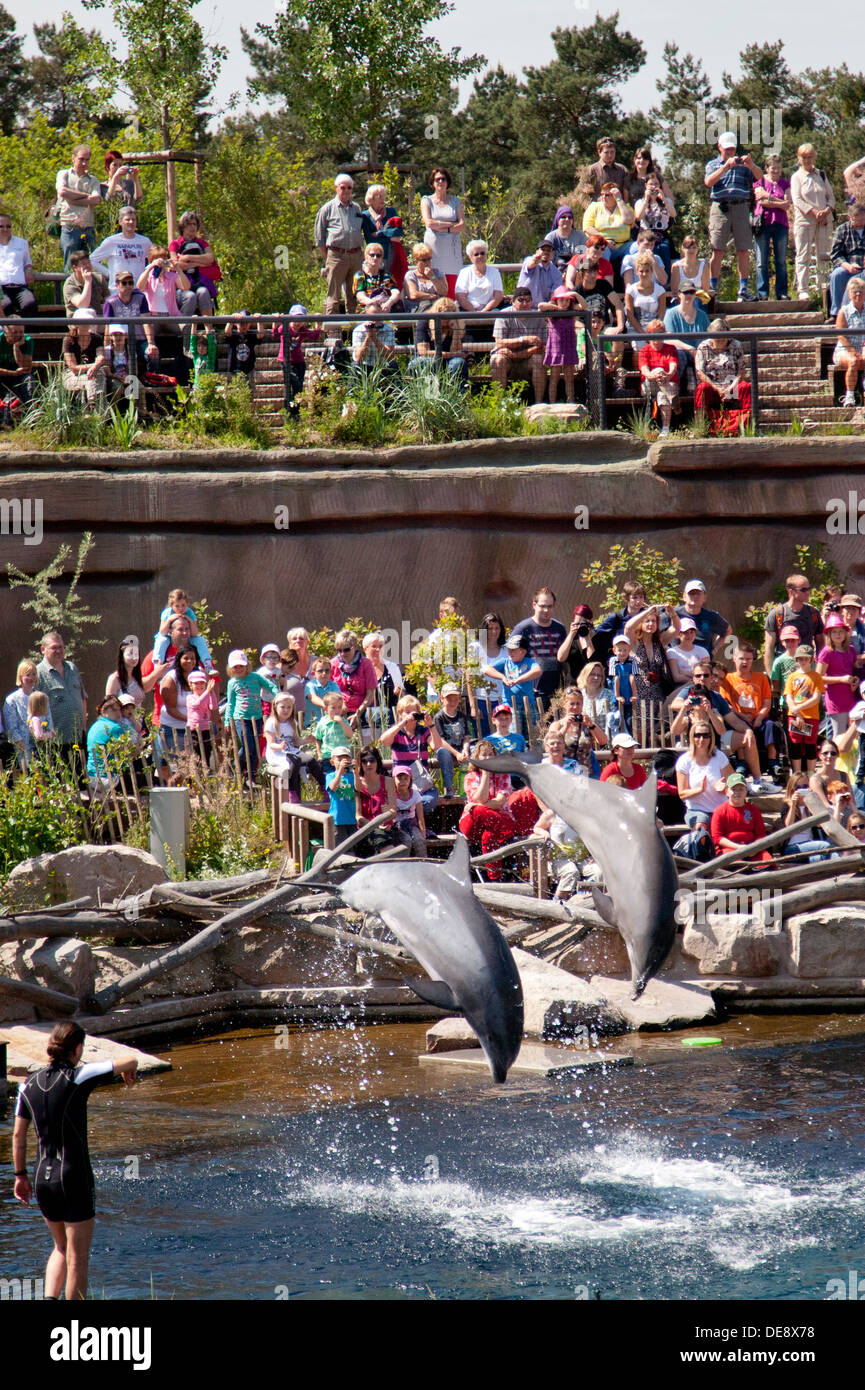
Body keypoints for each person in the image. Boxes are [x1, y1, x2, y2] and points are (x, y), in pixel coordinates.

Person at [13, 1020, 138, 1302]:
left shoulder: (27, 1085)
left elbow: (18, 1134)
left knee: (60, 1247)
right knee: (77, 1257)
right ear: (78, 1048)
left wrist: (19, 1175)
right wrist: (130, 1070)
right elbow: (129, 1058)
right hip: (74, 1175)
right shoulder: (79, 1076)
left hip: (41, 1176)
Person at [703, 132, 761, 300]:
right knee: (717, 249)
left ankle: (743, 289)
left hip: (741, 207)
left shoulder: (742, 165)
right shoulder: (713, 164)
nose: (730, 152)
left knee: (743, 249)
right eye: (727, 149)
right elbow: (708, 182)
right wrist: (725, 167)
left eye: (732, 149)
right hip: (720, 208)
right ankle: (713, 289)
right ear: (719, 147)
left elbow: (759, 177)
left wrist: (751, 165)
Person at [719, 641, 780, 788]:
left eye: (748, 659)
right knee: (740, 728)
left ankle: (773, 763)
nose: (745, 662)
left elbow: (767, 703)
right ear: (734, 659)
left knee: (771, 726)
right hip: (739, 718)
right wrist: (741, 715)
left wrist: (759, 718)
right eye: (741, 658)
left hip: (759, 718)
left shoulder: (761, 678)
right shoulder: (728, 679)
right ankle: (742, 763)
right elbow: (725, 704)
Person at [675, 722, 733, 860]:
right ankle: (701, 863)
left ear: (711, 738)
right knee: (701, 828)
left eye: (705, 735)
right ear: (691, 737)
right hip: (697, 809)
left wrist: (725, 788)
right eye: (697, 735)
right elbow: (682, 794)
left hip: (720, 808)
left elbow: (734, 782)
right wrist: (699, 790)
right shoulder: (684, 761)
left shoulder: (719, 757)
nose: (701, 739)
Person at [379, 695, 442, 818]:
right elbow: (384, 741)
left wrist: (431, 725)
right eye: (407, 712)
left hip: (421, 783)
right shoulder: (396, 732)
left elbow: (437, 746)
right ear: (400, 713)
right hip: (401, 784)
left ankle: (415, 823)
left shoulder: (423, 731)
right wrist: (402, 723)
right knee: (403, 802)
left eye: (414, 712)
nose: (411, 715)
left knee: (428, 801)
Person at [508, 588, 568, 709]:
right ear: (534, 605)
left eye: (550, 606)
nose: (546, 610)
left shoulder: (559, 628)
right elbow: (510, 658)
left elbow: (565, 660)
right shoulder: (523, 628)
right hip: (530, 692)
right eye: (542, 606)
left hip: (555, 692)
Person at [314, 174, 365, 315]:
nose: (346, 191)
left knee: (355, 293)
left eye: (349, 188)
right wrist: (328, 258)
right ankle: (333, 332)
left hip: (355, 256)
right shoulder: (327, 209)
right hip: (336, 255)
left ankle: (354, 330)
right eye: (343, 187)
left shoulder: (357, 208)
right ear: (336, 188)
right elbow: (319, 239)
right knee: (334, 296)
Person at [790, 144, 835, 301]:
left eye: (809, 157)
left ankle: (824, 289)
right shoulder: (797, 177)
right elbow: (797, 199)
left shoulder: (821, 174)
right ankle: (803, 290)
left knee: (824, 254)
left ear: (814, 157)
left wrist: (827, 210)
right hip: (805, 221)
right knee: (803, 255)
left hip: (824, 221)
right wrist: (814, 212)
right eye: (804, 157)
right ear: (799, 158)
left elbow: (831, 196)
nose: (807, 160)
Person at [694, 317, 752, 432]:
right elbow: (700, 372)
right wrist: (717, 388)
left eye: (723, 339)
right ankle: (701, 426)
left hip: (732, 385)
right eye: (717, 340)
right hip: (712, 385)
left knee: (746, 387)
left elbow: (741, 370)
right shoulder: (703, 347)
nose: (720, 342)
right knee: (702, 388)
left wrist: (730, 388)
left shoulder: (736, 345)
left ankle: (746, 426)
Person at [490, 286, 547, 400]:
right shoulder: (503, 314)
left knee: (538, 360)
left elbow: (540, 348)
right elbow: (499, 342)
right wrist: (524, 339)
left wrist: (516, 354)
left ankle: (539, 403)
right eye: (521, 300)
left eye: (528, 300)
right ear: (513, 301)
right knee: (498, 360)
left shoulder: (538, 317)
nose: (525, 303)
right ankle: (499, 403)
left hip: (527, 360)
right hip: (506, 359)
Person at [763, 574, 825, 678]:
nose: (808, 592)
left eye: (808, 589)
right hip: (784, 670)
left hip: (808, 669)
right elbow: (769, 648)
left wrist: (819, 674)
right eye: (803, 590)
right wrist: (773, 678)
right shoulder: (777, 614)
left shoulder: (813, 613)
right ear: (791, 591)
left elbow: (821, 646)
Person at [36, 631, 87, 754]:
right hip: (56, 742)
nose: (59, 651)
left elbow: (82, 698)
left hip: (78, 737)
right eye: (54, 648)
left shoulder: (72, 668)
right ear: (43, 649)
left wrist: (84, 727)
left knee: (80, 772)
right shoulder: (38, 673)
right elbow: (35, 709)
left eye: (61, 647)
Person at [420, 167, 466, 297]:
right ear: (432, 183)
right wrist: (452, 226)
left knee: (452, 288)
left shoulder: (456, 201)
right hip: (434, 250)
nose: (440, 182)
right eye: (437, 179)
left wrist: (440, 226)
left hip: (452, 251)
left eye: (443, 179)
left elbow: (462, 226)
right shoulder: (426, 200)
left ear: (447, 181)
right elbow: (429, 222)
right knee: (434, 284)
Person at [55, 145, 104, 268]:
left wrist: (72, 200)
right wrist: (86, 196)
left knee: (91, 264)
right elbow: (62, 192)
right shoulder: (64, 174)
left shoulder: (93, 180)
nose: (84, 163)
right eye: (81, 159)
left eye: (87, 160)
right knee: (70, 265)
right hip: (69, 226)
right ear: (73, 158)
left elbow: (97, 199)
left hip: (88, 227)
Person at [753, 154, 792, 301]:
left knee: (781, 261)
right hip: (763, 223)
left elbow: (787, 204)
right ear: (766, 168)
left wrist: (768, 197)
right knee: (761, 261)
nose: (776, 171)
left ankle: (781, 292)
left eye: (778, 168)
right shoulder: (760, 181)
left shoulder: (785, 183)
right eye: (773, 168)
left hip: (781, 224)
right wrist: (779, 202)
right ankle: (763, 293)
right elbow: (760, 201)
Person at [169, 210, 220, 318]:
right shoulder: (175, 244)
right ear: (183, 226)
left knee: (204, 292)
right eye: (189, 224)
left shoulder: (202, 243)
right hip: (182, 284)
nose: (192, 227)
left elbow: (210, 259)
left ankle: (208, 329)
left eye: (194, 224)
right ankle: (185, 330)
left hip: (200, 282)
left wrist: (187, 258)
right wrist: (199, 263)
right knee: (190, 296)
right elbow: (175, 264)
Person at [274, 305, 320, 421]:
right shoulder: (285, 328)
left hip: (299, 362)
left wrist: (317, 321)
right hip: (286, 362)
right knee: (294, 385)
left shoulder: (303, 331)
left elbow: (315, 336)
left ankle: (296, 414)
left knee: (298, 390)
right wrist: (275, 320)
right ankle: (289, 412)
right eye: (295, 320)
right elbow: (275, 333)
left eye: (300, 320)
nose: (297, 323)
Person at [90, 207, 152, 293]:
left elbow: (152, 260)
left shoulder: (145, 242)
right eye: (127, 219)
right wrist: (109, 273)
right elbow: (92, 260)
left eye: (133, 219)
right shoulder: (111, 241)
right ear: (120, 222)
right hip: (118, 289)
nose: (131, 222)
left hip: (139, 288)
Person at [710, 772, 771, 859]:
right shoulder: (719, 811)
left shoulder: (753, 810)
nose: (737, 792)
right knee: (733, 865)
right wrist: (739, 848)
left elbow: (761, 834)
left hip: (752, 848)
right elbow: (717, 837)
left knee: (768, 863)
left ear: (746, 791)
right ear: (727, 791)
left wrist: (754, 849)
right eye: (733, 789)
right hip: (729, 848)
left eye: (741, 789)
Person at [783, 645, 825, 773]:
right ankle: (797, 774)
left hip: (811, 716)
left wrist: (798, 709)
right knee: (795, 744)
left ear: (811, 660)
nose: (803, 661)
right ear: (796, 660)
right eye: (800, 658)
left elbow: (816, 698)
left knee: (810, 745)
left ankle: (811, 773)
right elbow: (788, 697)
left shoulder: (816, 676)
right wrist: (797, 714)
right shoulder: (792, 676)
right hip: (795, 716)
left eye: (806, 658)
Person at [3, 660, 53, 767]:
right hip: (23, 749)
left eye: (34, 674)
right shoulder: (12, 700)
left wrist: (46, 736)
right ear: (20, 677)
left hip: (43, 748)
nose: (31, 678)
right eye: (27, 675)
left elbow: (49, 721)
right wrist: (23, 746)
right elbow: (11, 728)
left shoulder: (42, 697)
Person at [582, 183, 635, 282]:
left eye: (607, 195)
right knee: (602, 250)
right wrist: (604, 240)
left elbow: (629, 220)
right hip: (601, 244)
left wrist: (619, 200)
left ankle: (633, 287)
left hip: (623, 245)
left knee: (637, 247)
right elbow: (587, 227)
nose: (603, 197)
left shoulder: (625, 207)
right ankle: (603, 284)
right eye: (602, 194)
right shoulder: (594, 207)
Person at [662, 282, 709, 392]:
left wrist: (698, 350)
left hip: (699, 353)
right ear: (679, 294)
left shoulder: (702, 315)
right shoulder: (671, 314)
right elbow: (669, 338)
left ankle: (703, 396)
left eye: (692, 292)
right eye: (685, 292)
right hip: (679, 352)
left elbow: (708, 337)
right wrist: (689, 348)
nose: (688, 295)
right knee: (680, 355)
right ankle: (676, 392)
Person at [816, 614, 858, 735]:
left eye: (841, 631)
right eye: (834, 632)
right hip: (835, 699)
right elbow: (818, 678)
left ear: (846, 633)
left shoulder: (851, 650)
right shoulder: (827, 652)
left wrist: (855, 680)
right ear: (829, 634)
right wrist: (841, 679)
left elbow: (855, 670)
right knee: (839, 735)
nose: (838, 634)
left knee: (853, 736)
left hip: (850, 697)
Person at [413, 296, 469, 387]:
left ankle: (458, 395)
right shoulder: (424, 321)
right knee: (429, 362)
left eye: (450, 316)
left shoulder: (455, 324)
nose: (447, 320)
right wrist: (453, 354)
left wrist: (455, 331)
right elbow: (424, 352)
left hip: (447, 360)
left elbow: (456, 351)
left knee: (458, 362)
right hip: (426, 359)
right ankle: (430, 395)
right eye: (444, 316)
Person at [538, 285, 580, 403]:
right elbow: (540, 306)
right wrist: (557, 307)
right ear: (556, 300)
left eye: (567, 300)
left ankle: (570, 402)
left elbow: (584, 306)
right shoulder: (552, 312)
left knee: (569, 379)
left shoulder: (572, 311)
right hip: (555, 349)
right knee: (554, 378)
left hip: (569, 348)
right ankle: (552, 403)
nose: (565, 302)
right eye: (561, 299)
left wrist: (575, 295)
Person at [330, 629, 378, 732]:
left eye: (346, 649)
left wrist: (358, 713)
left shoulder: (366, 663)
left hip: (363, 710)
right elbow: (329, 693)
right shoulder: (333, 664)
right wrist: (340, 707)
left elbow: (370, 694)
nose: (342, 653)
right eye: (339, 650)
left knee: (381, 714)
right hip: (340, 710)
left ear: (355, 647)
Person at [637, 319, 678, 436]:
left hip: (668, 383)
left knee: (662, 395)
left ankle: (665, 429)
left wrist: (668, 374)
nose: (656, 337)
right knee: (659, 370)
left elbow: (673, 366)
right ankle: (674, 400)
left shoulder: (671, 348)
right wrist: (655, 375)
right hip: (650, 384)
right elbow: (645, 370)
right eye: (652, 333)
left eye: (659, 333)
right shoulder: (644, 350)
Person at [354, 746, 398, 855]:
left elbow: (394, 811)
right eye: (364, 761)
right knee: (380, 839)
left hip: (387, 828)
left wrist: (389, 812)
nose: (368, 764)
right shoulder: (358, 783)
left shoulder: (388, 781)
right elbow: (358, 817)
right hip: (366, 829)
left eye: (372, 760)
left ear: (377, 761)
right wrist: (375, 825)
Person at [781, 772, 834, 860]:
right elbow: (788, 826)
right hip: (793, 847)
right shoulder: (787, 805)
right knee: (825, 846)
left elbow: (820, 825)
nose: (802, 789)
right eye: (798, 787)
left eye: (805, 786)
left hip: (810, 845)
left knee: (836, 856)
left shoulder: (810, 804)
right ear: (792, 789)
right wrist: (793, 805)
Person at [455, 241, 504, 334]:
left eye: (482, 253)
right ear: (470, 258)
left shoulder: (494, 272)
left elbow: (498, 297)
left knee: (498, 316)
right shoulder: (464, 273)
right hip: (468, 310)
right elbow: (460, 297)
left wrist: (484, 312)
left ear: (486, 255)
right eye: (476, 254)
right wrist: (473, 312)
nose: (480, 256)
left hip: (489, 310)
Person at [633, 175, 676, 278]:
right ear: (646, 186)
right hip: (646, 233)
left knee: (664, 248)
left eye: (656, 184)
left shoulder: (667, 201)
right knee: (652, 248)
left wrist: (664, 200)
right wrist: (647, 199)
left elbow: (673, 214)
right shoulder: (640, 202)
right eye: (651, 184)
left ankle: (666, 279)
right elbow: (638, 217)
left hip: (661, 234)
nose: (653, 187)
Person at [434, 682, 472, 795]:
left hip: (460, 749)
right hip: (447, 750)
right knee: (443, 753)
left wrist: (465, 749)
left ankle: (473, 785)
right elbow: (441, 741)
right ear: (442, 699)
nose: (452, 702)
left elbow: (466, 736)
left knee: (477, 751)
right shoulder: (439, 717)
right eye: (449, 699)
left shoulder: (461, 716)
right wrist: (457, 754)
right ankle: (448, 787)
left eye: (455, 699)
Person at [832, 277, 865, 407]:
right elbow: (840, 335)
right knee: (853, 361)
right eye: (855, 291)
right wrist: (852, 351)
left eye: (861, 291)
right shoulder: (844, 311)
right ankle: (850, 396)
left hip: (862, 347)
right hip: (845, 349)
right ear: (849, 294)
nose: (858, 294)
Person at [829, 205, 865, 316]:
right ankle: (837, 313)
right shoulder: (842, 229)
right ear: (850, 218)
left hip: (864, 266)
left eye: (863, 219)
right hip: (848, 266)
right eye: (857, 220)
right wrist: (848, 266)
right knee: (837, 275)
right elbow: (835, 253)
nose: (860, 223)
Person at [0, 213, 37, 316]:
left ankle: (25, 331)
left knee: (30, 304)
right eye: (1, 226)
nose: (5, 229)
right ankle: (8, 331)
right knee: (5, 306)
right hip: (1, 288)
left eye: (8, 226)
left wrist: (29, 271)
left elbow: (27, 262)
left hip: (19, 286)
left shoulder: (22, 243)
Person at [361, 184, 401, 277]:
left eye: (384, 195)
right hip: (374, 255)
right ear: (371, 199)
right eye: (379, 196)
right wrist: (390, 237)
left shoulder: (391, 212)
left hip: (390, 253)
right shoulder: (365, 216)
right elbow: (370, 238)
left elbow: (398, 232)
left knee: (390, 281)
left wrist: (380, 233)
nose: (383, 198)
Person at [352, 243, 401, 312]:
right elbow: (360, 296)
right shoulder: (360, 275)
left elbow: (396, 292)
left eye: (378, 256)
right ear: (366, 256)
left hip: (386, 308)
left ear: (381, 258)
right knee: (373, 309)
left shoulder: (387, 275)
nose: (375, 258)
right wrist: (375, 305)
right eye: (372, 255)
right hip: (366, 310)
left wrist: (389, 303)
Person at [517, 236, 563, 308]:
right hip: (523, 306)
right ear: (537, 252)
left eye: (548, 250)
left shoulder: (557, 274)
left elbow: (553, 296)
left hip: (543, 310)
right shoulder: (529, 260)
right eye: (543, 249)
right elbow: (530, 264)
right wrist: (536, 260)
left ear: (552, 254)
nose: (545, 252)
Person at [351, 301, 396, 373]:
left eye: (378, 316)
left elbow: (390, 356)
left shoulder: (388, 329)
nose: (375, 320)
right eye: (372, 317)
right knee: (355, 366)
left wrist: (374, 338)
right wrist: (368, 337)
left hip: (382, 367)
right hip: (363, 366)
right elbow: (359, 358)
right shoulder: (359, 330)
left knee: (393, 365)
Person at [392, 766, 428, 856]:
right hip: (397, 825)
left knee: (419, 840)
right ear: (393, 779)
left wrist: (423, 833)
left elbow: (420, 818)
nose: (403, 782)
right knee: (406, 840)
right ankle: (404, 864)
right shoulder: (391, 795)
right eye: (399, 778)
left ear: (410, 780)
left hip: (411, 824)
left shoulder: (415, 794)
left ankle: (423, 862)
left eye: (406, 778)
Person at [0, 317, 35, 407]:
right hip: (3, 377)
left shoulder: (27, 341)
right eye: (14, 332)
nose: (18, 335)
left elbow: (26, 368)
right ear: (5, 331)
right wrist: (13, 373)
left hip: (19, 377)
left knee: (29, 379)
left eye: (21, 332)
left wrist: (16, 348)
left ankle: (31, 409)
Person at [326, 746, 358, 845]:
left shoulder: (352, 776)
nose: (343, 762)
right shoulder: (330, 776)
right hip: (337, 820)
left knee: (354, 848)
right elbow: (333, 787)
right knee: (339, 849)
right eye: (339, 759)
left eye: (346, 759)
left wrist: (357, 772)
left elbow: (360, 788)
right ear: (332, 762)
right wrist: (339, 771)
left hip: (353, 819)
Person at [557, 603, 596, 684]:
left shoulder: (597, 639)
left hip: (591, 686)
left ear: (591, 621)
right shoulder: (571, 641)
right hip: (573, 686)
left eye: (584, 623)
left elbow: (593, 661)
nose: (581, 626)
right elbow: (560, 658)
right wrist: (571, 635)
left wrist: (588, 638)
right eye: (578, 623)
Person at [402, 244, 448, 313]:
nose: (427, 263)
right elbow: (414, 295)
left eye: (429, 259)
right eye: (424, 260)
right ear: (416, 261)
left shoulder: (437, 273)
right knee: (427, 305)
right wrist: (432, 296)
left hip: (437, 308)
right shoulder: (411, 275)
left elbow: (443, 292)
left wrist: (432, 277)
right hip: (417, 308)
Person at [62, 251, 108, 319]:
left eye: (89, 263)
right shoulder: (70, 284)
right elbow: (82, 305)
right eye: (83, 264)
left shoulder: (99, 278)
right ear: (75, 268)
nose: (88, 266)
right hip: (78, 321)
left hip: (99, 318)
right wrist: (88, 282)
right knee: (85, 315)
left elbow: (109, 299)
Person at [669, 235, 711, 300]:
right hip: (680, 300)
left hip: (698, 300)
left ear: (697, 249)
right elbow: (674, 291)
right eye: (688, 248)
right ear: (683, 248)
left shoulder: (703, 266)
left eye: (694, 247)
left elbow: (705, 291)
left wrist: (692, 297)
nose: (691, 250)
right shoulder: (676, 266)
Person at [224, 312, 260, 382]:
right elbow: (227, 333)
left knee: (250, 390)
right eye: (241, 323)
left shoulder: (251, 335)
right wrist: (231, 319)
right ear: (235, 324)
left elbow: (260, 335)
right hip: (235, 368)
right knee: (236, 389)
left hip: (249, 369)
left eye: (246, 323)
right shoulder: (233, 335)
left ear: (249, 324)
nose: (244, 326)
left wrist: (259, 320)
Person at [548, 206, 586, 271]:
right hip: (555, 273)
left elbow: (583, 261)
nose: (567, 219)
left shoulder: (580, 236)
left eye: (570, 217)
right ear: (558, 220)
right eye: (563, 217)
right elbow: (547, 261)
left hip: (576, 273)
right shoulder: (551, 237)